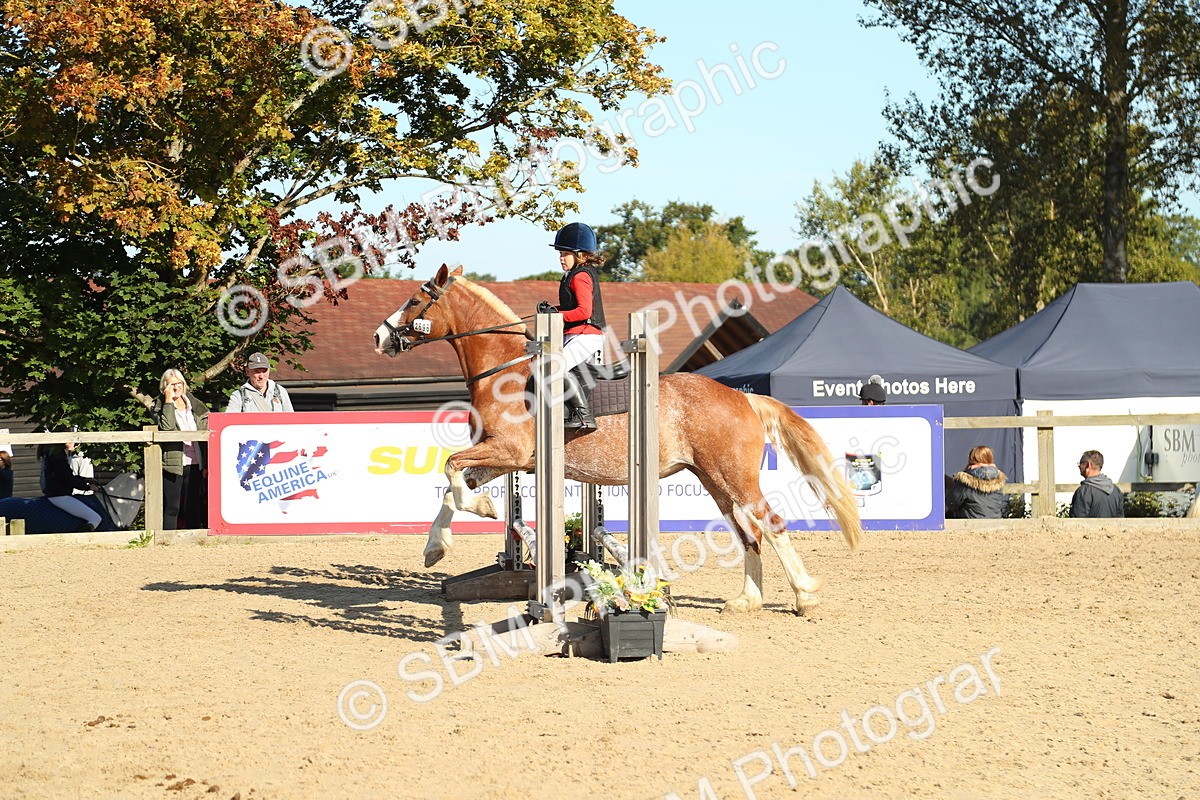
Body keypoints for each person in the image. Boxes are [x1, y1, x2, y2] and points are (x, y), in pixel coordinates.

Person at [536, 222, 607, 429]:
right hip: (576, 334)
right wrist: (553, 309)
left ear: (580, 255)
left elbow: (584, 312)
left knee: (554, 368)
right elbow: (573, 307)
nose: (560, 258)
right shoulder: (576, 274)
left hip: (586, 335)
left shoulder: (581, 276)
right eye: (560, 253)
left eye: (565, 254)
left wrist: (557, 314)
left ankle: (584, 416)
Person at [154, 369, 210, 529]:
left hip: (196, 463)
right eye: (171, 384)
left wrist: (206, 464)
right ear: (164, 386)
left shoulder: (197, 406)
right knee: (173, 507)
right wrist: (168, 401)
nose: (176, 387)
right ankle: (168, 542)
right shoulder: (160, 406)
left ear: (184, 384)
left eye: (178, 383)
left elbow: (206, 435)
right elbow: (167, 427)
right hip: (174, 463)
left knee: (192, 507)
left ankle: (191, 543)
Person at [38, 435, 102, 531]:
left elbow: (66, 475)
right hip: (59, 495)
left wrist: (85, 479)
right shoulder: (57, 454)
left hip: (56, 493)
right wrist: (88, 487)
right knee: (95, 518)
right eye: (73, 441)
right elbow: (67, 479)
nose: (75, 444)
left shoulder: (53, 452)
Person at [946, 445, 1007, 519]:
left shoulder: (965, 480)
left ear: (971, 459)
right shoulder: (998, 479)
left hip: (970, 526)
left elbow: (951, 503)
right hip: (994, 525)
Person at [225, 352, 293, 413]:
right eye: (257, 372)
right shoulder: (238, 396)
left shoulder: (280, 391)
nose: (261, 376)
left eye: (264, 371)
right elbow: (230, 422)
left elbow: (291, 420)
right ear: (248, 371)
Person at [1070, 450, 1124, 518]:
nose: (1079, 466)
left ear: (1088, 465)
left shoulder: (1084, 491)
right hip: (1113, 529)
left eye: (1080, 463)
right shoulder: (1116, 491)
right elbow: (1120, 520)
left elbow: (1076, 523)